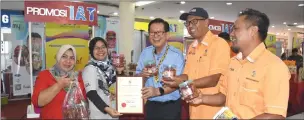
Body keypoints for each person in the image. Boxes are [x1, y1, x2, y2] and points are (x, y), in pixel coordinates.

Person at [187, 8, 290, 119]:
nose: (231, 33)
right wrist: (202, 98)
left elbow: (276, 115)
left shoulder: (274, 67)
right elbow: (223, 96)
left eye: (235, 29)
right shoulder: (233, 63)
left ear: (252, 31)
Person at [162, 7, 230, 119]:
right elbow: (187, 75)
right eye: (187, 23)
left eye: (194, 21)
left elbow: (214, 79)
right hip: (194, 109)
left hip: (213, 110)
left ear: (206, 22)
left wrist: (184, 83)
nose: (190, 25)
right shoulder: (192, 47)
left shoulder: (219, 44)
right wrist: (174, 80)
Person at [136, 18, 185, 120]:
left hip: (171, 107)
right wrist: (142, 75)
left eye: (159, 32)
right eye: (152, 33)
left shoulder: (176, 55)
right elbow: (136, 79)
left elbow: (180, 83)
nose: (155, 36)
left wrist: (158, 91)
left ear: (167, 35)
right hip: (150, 105)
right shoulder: (145, 53)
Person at [32, 45, 87, 119]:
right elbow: (38, 102)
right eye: (64, 56)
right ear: (58, 57)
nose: (68, 61)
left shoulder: (78, 77)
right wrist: (59, 85)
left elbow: (86, 101)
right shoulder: (45, 75)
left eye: (72, 58)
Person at [82, 37, 125, 119]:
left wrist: (120, 72)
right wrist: (107, 109)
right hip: (99, 115)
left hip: (114, 113)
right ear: (91, 51)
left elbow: (120, 88)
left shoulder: (111, 68)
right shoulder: (90, 68)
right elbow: (91, 94)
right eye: (96, 48)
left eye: (103, 47)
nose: (100, 50)